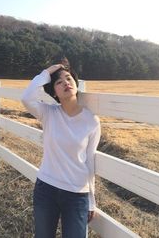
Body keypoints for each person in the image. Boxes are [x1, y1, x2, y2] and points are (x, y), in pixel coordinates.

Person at [21, 60, 101, 238]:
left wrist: (91, 201)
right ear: (54, 93)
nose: (66, 82)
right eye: (59, 82)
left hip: (76, 194)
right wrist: (48, 72)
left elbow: (89, 162)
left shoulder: (91, 121)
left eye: (69, 78)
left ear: (75, 84)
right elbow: (26, 97)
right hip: (46, 189)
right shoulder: (48, 113)